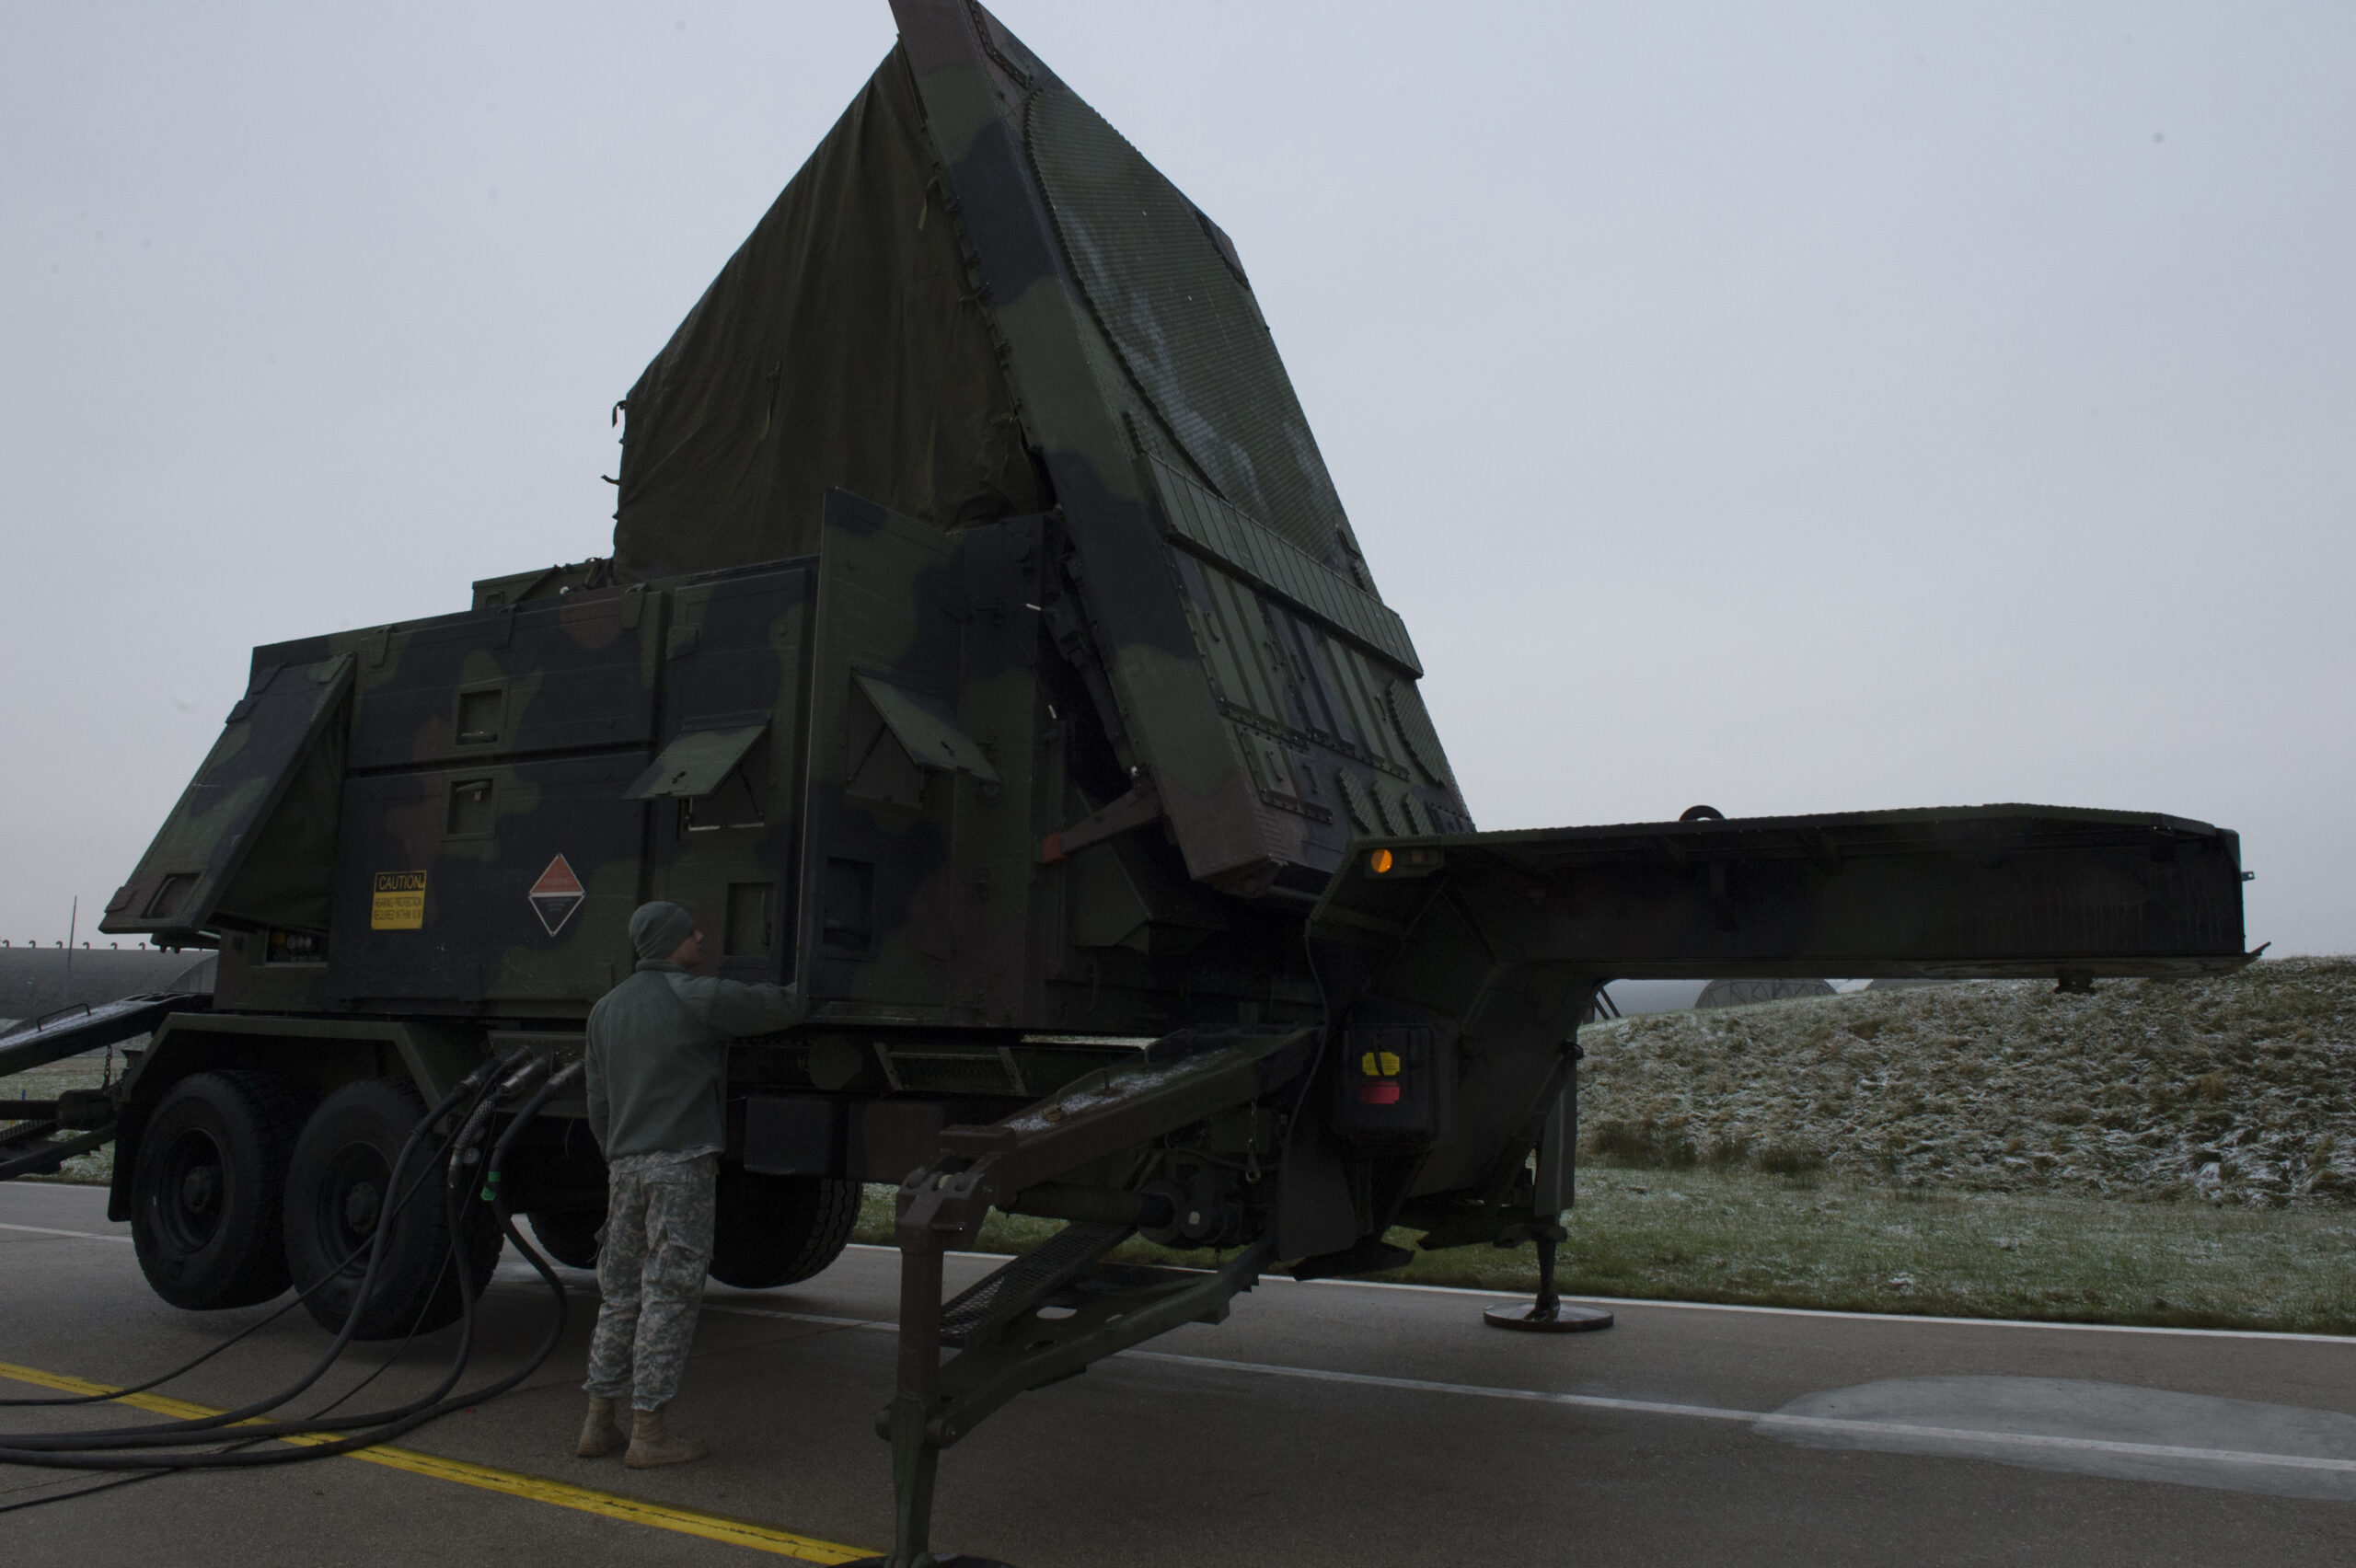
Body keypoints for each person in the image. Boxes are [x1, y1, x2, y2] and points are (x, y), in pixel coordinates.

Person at [574, 899, 800, 1467]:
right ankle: (649, 1433)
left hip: (624, 1168)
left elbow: (598, 1104)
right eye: (691, 932)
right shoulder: (697, 996)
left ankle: (598, 1423)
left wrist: (621, 1154)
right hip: (681, 1168)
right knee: (669, 1295)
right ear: (671, 943)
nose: (701, 936)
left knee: (619, 1296)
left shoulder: (605, 1010)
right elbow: (783, 1007)